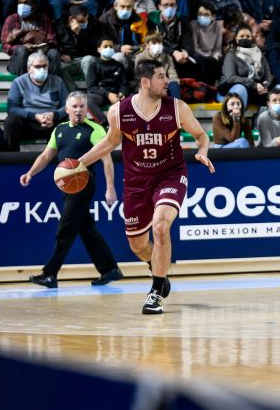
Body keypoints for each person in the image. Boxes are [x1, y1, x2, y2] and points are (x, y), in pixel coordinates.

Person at [77, 60, 215, 314]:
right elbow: (110, 142)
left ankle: (155, 292)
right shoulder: (119, 111)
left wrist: (202, 152)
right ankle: (156, 267)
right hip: (136, 182)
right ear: (145, 82)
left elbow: (201, 136)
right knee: (138, 246)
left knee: (161, 227)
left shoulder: (177, 108)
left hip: (170, 175)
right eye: (161, 77)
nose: (167, 81)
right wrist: (79, 163)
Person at [21, 91, 122, 289]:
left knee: (66, 227)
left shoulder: (95, 129)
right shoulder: (59, 130)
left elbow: (107, 159)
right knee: (86, 229)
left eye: (82, 107)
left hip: (83, 184)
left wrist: (110, 187)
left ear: (87, 109)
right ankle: (110, 268)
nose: (78, 110)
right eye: (74, 107)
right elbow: (46, 155)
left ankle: (50, 273)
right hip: (66, 185)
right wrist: (30, 173)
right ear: (66, 109)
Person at [5, 52, 67, 151]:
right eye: (38, 66)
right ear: (29, 69)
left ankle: (67, 158)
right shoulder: (19, 82)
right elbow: (12, 108)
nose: (42, 69)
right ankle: (11, 158)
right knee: (11, 121)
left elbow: (66, 106)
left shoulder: (58, 81)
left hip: (52, 123)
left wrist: (54, 115)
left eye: (44, 66)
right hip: (28, 123)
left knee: (69, 120)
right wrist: (35, 116)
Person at [1, 0, 60, 77]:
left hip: (41, 56)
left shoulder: (44, 19)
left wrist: (39, 46)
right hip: (19, 61)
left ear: (33, 6)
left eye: (26, 3)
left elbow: (52, 41)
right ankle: (24, 85)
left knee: (54, 53)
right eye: (20, 3)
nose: (22, 6)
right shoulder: (12, 19)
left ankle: (54, 85)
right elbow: (5, 46)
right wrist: (22, 47)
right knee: (22, 50)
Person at [219, 25, 273, 107]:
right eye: (241, 36)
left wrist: (265, 85)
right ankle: (237, 117)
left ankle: (262, 118)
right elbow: (231, 77)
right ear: (236, 38)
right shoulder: (231, 54)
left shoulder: (259, 54)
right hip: (232, 89)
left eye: (248, 36)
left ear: (252, 38)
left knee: (276, 89)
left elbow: (268, 75)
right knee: (241, 88)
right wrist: (254, 85)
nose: (245, 38)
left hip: (255, 90)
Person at [56, 4, 103, 92]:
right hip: (69, 61)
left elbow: (96, 48)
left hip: (85, 58)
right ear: (71, 19)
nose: (85, 23)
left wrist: (80, 34)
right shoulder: (59, 26)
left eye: (86, 20)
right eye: (81, 21)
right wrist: (61, 54)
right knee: (61, 68)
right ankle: (73, 94)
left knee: (89, 59)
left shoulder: (93, 24)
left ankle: (92, 91)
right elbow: (54, 44)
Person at [148, 0, 196, 80]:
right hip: (161, 53)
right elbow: (153, 44)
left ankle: (194, 89)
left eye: (172, 5)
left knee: (198, 60)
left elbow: (188, 43)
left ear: (176, 6)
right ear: (159, 6)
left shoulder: (183, 22)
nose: (169, 8)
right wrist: (173, 52)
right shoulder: (151, 22)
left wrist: (186, 54)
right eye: (165, 5)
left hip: (180, 54)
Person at [86, 36, 129, 123]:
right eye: (105, 46)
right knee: (87, 100)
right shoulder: (93, 65)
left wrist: (122, 93)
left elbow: (124, 83)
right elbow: (91, 87)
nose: (109, 48)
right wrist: (108, 94)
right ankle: (104, 123)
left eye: (111, 46)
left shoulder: (119, 65)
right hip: (101, 95)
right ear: (99, 49)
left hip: (118, 95)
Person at [134, 32, 181, 98]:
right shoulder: (140, 58)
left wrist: (172, 82)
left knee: (174, 85)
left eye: (159, 43)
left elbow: (173, 74)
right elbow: (139, 77)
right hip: (148, 85)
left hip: (165, 82)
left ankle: (174, 105)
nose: (157, 45)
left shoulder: (167, 57)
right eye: (154, 43)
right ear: (147, 45)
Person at [189, 3, 223, 85]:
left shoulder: (218, 25)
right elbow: (195, 48)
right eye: (200, 14)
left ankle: (214, 87)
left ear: (213, 17)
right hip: (198, 54)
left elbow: (217, 48)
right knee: (204, 61)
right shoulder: (193, 24)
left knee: (218, 60)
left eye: (206, 14)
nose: (202, 17)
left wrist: (215, 56)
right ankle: (202, 86)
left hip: (211, 55)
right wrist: (208, 56)